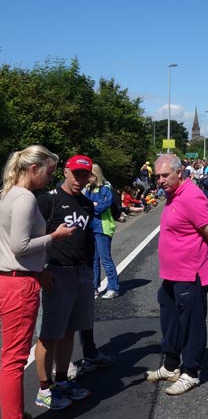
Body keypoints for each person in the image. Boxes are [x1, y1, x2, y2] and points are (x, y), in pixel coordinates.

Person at [0, 145, 76, 418]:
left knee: (10, 356)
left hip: (11, 279)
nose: (50, 178)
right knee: (14, 360)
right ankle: (13, 415)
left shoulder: (8, 194)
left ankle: (14, 412)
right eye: (48, 171)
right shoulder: (25, 198)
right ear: (33, 169)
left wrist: (38, 269)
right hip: (19, 284)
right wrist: (54, 236)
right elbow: (21, 246)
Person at [147, 154, 208, 395]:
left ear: (179, 173)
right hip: (173, 272)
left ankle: (191, 372)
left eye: (165, 176)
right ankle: (171, 365)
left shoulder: (191, 196)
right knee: (169, 317)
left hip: (191, 271)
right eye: (157, 176)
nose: (160, 181)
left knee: (191, 322)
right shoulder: (173, 195)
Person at [34, 155, 97, 410]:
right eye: (76, 174)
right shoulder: (47, 200)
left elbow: (86, 240)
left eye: (85, 175)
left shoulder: (86, 204)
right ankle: (44, 388)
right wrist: (40, 271)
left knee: (69, 331)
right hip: (55, 274)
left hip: (80, 274)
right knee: (49, 334)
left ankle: (61, 381)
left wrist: (90, 272)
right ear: (66, 172)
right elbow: (29, 238)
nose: (80, 180)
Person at [84, 164, 119, 299]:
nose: (87, 178)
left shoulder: (106, 188)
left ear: (95, 174)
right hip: (92, 226)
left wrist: (93, 206)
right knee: (93, 260)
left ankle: (113, 287)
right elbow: (86, 206)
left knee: (105, 259)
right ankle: (94, 287)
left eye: (89, 175)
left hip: (103, 227)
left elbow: (102, 207)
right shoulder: (89, 189)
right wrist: (93, 205)